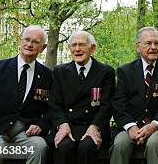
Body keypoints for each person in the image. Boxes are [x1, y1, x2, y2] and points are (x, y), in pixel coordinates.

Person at [0, 25, 52, 164]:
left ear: (43, 47)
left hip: (27, 132)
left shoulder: (47, 75)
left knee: (39, 147)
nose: (29, 44)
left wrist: (41, 125)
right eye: (26, 40)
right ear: (20, 40)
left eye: (35, 42)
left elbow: (51, 108)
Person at [110, 27, 158, 164]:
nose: (153, 47)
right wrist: (131, 127)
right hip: (132, 126)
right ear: (138, 46)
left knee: (154, 143)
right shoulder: (125, 71)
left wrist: (154, 125)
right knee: (120, 143)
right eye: (148, 43)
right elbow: (119, 103)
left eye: (157, 43)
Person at [49, 30, 115, 164]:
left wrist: (95, 126)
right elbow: (55, 103)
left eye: (82, 45)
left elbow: (107, 105)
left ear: (92, 48)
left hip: (93, 125)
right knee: (63, 147)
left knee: (87, 147)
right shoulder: (59, 72)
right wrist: (62, 125)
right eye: (73, 45)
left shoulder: (105, 72)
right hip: (68, 125)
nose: (77, 49)